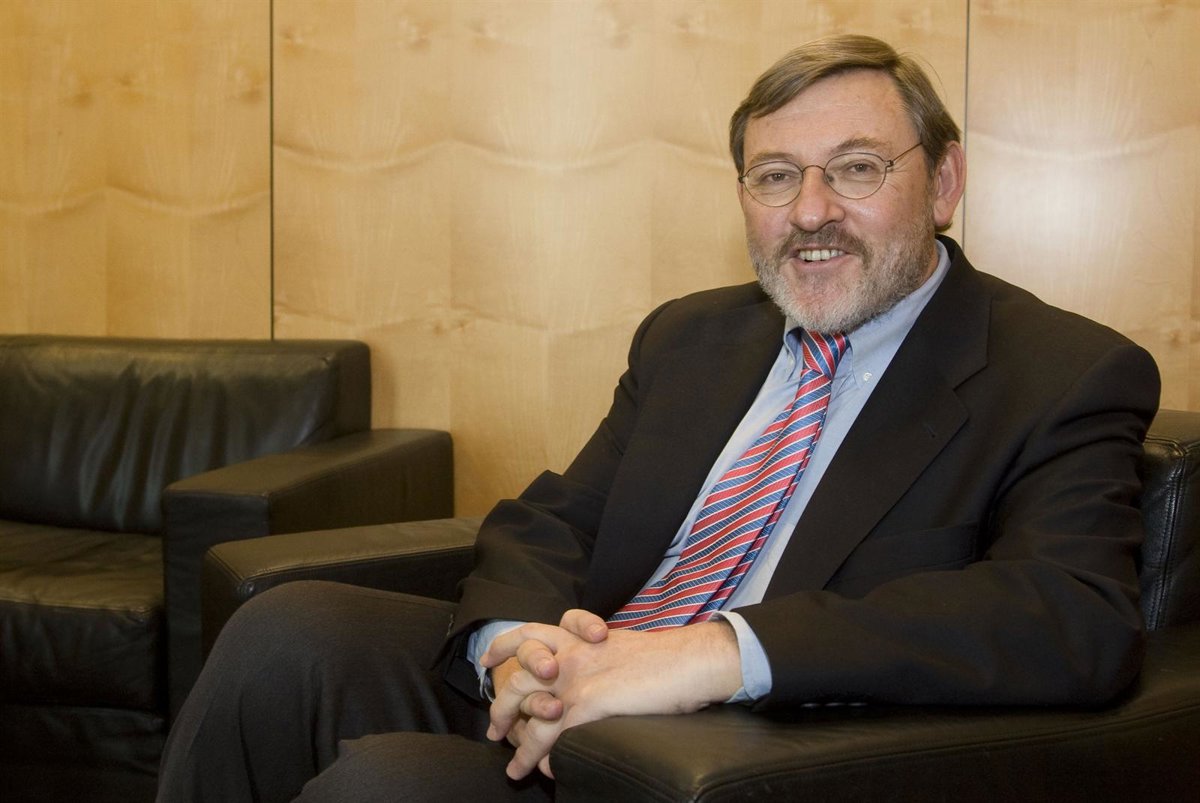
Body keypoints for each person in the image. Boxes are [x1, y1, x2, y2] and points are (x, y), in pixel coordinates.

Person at [157, 34, 1160, 802]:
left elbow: (1072, 613)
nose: (811, 210)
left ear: (943, 182)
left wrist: (710, 653)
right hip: (581, 680)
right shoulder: (693, 336)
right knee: (286, 630)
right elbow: (559, 517)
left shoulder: (1061, 371)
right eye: (776, 175)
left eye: (856, 167)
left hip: (737, 750)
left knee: (388, 786)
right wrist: (516, 647)